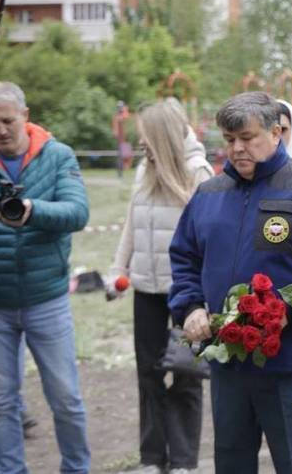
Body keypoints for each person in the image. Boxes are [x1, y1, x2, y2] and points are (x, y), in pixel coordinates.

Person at [168, 92, 292, 474]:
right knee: (232, 462)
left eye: (247, 138)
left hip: (291, 364)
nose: (237, 148)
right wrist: (190, 307)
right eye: (229, 139)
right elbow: (184, 258)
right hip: (229, 366)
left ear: (277, 132)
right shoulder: (208, 195)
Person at [0, 82, 91, 473]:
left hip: (45, 296)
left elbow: (77, 213)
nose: (1, 130)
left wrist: (32, 209)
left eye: (8, 121)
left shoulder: (57, 156)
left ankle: (76, 468)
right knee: (1, 402)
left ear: (26, 115)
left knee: (66, 397)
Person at [110, 102, 213, 474]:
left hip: (186, 296)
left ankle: (184, 462)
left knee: (186, 375)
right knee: (148, 374)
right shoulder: (144, 169)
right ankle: (152, 458)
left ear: (162, 138)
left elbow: (208, 237)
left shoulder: (197, 173)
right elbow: (131, 223)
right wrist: (117, 269)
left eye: (146, 140)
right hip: (147, 291)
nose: (142, 147)